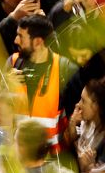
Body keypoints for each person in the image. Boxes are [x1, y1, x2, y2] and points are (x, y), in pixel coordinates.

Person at [9, 14, 76, 150]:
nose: (16, 40)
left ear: (38, 42)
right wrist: (6, 86)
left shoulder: (65, 68)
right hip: (17, 153)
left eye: (21, 36)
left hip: (50, 158)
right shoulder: (13, 62)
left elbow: (75, 118)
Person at [62, 77, 105, 173]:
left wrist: (86, 168)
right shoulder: (86, 123)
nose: (78, 105)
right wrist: (72, 128)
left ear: (96, 106)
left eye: (83, 101)